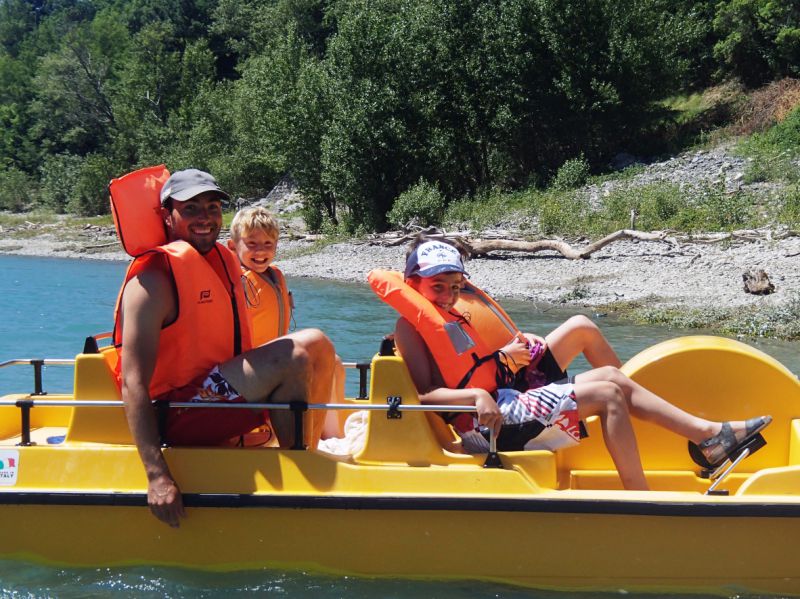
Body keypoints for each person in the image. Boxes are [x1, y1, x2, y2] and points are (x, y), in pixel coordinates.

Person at [370, 236, 771, 491]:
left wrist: (511, 352)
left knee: (610, 377)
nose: (447, 295)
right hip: (483, 427)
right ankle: (643, 500)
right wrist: (476, 395)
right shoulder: (410, 326)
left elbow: (477, 361)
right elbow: (424, 395)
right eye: (437, 287)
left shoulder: (455, 313)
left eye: (455, 287)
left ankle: (707, 436)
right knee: (608, 395)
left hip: (505, 398)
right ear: (413, 285)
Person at [114, 168, 336, 527]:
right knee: (291, 357)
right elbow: (132, 381)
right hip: (177, 412)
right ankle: (300, 477)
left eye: (213, 207)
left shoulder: (219, 260)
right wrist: (157, 475)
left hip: (210, 391)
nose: (205, 217)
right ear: (167, 216)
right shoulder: (151, 281)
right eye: (191, 208)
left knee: (317, 342)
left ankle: (306, 452)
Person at [227, 205, 346, 437]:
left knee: (334, 362)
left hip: (274, 360)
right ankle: (319, 437)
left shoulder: (275, 275)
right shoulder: (236, 281)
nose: (260, 251)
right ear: (233, 246)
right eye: (251, 243)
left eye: (268, 244)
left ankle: (332, 436)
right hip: (251, 368)